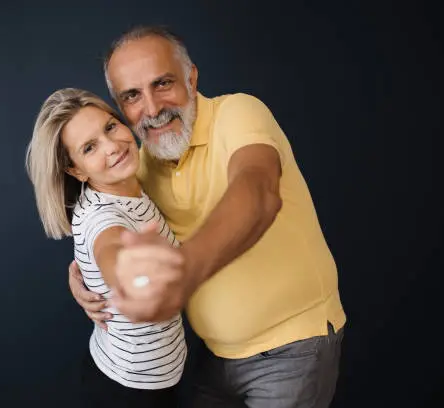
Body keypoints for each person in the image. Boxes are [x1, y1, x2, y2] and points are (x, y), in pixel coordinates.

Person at [68, 26, 346, 408]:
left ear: (191, 77)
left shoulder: (238, 113)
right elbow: (114, 225)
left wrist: (181, 276)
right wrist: (86, 274)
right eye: (132, 96)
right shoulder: (142, 160)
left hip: (292, 351)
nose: (151, 109)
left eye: (163, 83)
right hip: (211, 356)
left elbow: (258, 191)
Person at [25, 88, 187, 407]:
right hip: (130, 391)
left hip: (154, 375)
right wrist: (132, 274)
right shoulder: (105, 216)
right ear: (76, 170)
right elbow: (110, 248)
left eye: (110, 127)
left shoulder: (130, 184)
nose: (112, 147)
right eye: (89, 147)